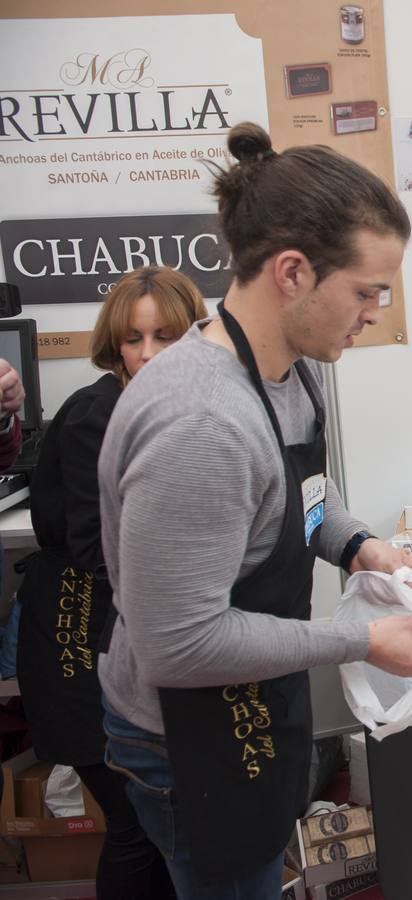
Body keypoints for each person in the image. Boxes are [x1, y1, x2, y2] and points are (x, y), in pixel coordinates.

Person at [97, 122, 412, 897]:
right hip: (184, 740)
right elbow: (180, 645)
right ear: (292, 272)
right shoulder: (200, 425)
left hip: (249, 704)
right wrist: (361, 639)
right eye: (365, 291)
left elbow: (305, 505)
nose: (376, 311)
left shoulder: (291, 372)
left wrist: (358, 547)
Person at [15, 267, 205, 898]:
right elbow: (105, 552)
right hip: (81, 642)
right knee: (132, 827)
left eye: (165, 338)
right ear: (114, 344)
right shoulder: (98, 415)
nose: (148, 355)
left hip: (130, 636)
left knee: (158, 828)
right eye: (133, 339)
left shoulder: (182, 403)